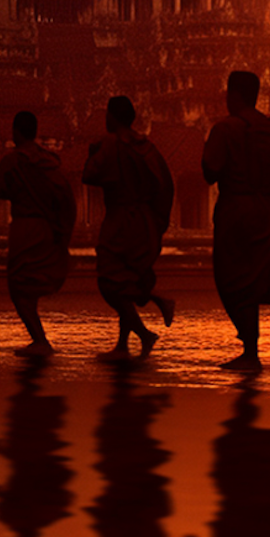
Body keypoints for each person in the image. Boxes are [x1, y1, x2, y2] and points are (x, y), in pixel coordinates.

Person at [202, 71, 270, 371]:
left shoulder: (225, 129)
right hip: (265, 211)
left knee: (231, 280)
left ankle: (250, 349)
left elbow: (209, 172)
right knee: (253, 279)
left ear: (234, 95)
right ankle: (250, 349)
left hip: (236, 211)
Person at [82, 96, 176, 363]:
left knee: (110, 281)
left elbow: (89, 175)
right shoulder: (146, 146)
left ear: (112, 117)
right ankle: (122, 344)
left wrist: (92, 153)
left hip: (120, 218)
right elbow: (166, 184)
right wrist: (160, 220)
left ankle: (151, 318)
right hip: (144, 220)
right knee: (128, 276)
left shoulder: (111, 144)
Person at [0, 110, 77, 357]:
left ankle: (40, 340)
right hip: (46, 227)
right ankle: (39, 338)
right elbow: (65, 197)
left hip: (25, 227)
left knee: (18, 285)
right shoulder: (48, 161)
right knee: (33, 280)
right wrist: (63, 231)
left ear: (16, 132)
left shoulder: (13, 161)